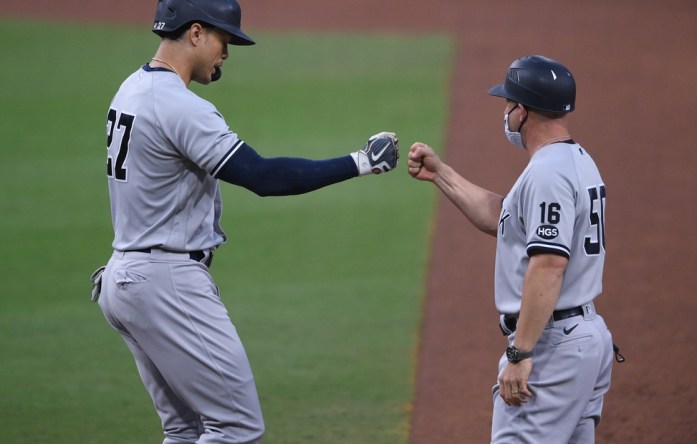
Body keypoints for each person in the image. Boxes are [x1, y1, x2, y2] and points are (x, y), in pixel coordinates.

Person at [90, 0, 398, 442]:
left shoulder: (131, 88)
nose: (227, 52)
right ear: (195, 33)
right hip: (166, 282)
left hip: (126, 277)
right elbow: (263, 177)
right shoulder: (179, 105)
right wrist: (360, 162)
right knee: (236, 428)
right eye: (223, 38)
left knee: (185, 430)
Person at [408, 55, 616, 443]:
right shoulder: (575, 160)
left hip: (554, 344)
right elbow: (508, 220)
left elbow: (550, 263)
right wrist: (442, 175)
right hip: (584, 337)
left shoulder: (547, 172)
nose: (504, 114)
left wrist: (520, 353)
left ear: (522, 111)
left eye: (507, 105)